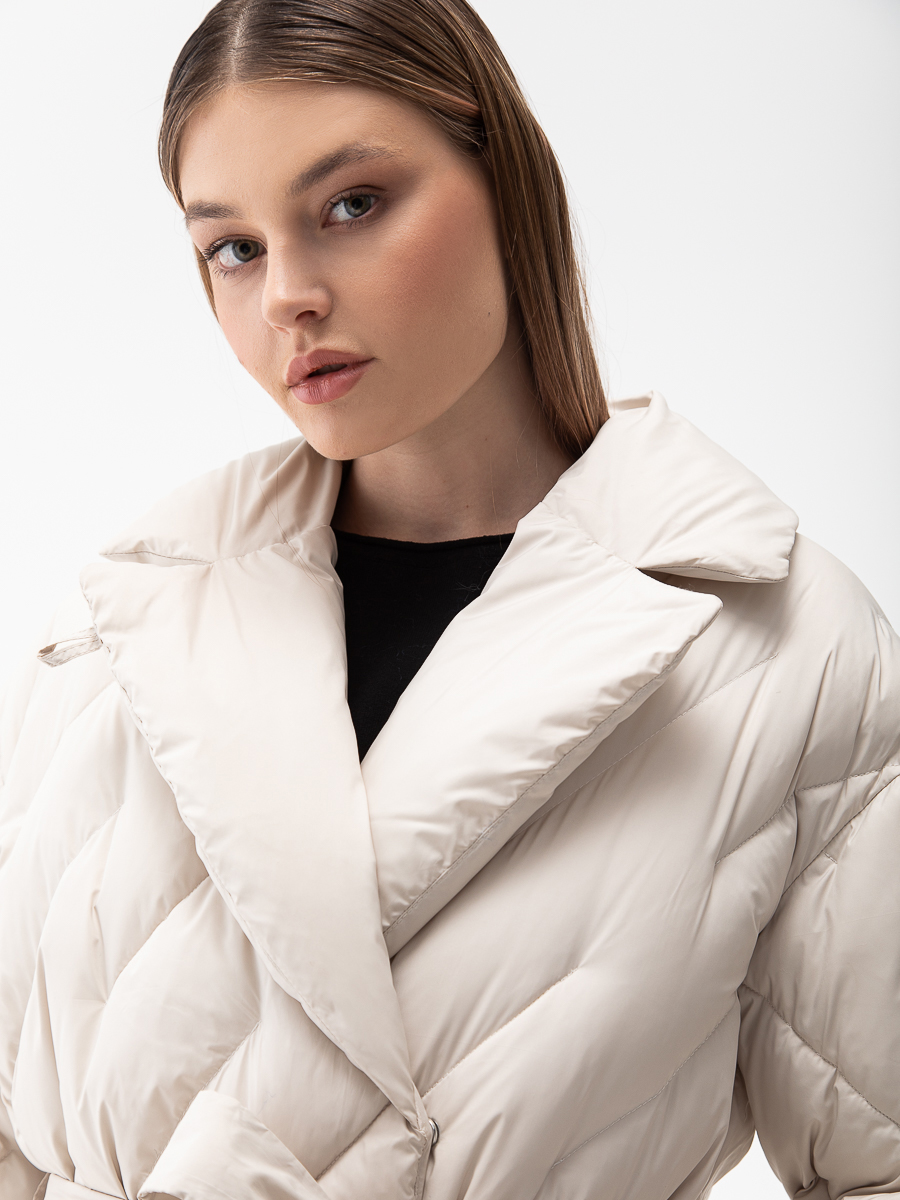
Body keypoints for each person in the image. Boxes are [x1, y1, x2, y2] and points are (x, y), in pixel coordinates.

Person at [0, 0, 897, 1197]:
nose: (288, 296)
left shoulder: (786, 652)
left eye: (352, 205)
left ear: (505, 181)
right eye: (235, 247)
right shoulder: (103, 644)